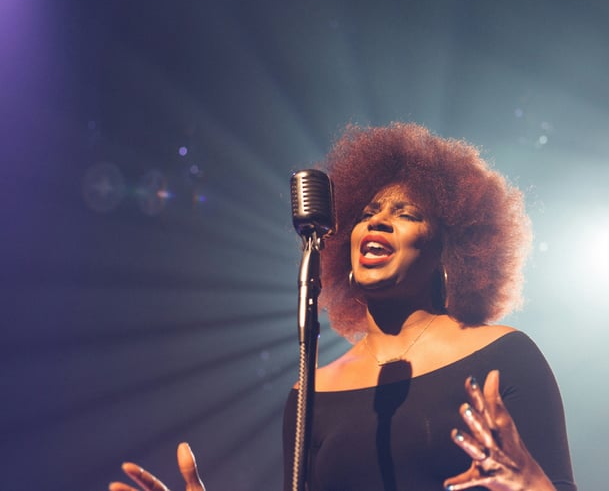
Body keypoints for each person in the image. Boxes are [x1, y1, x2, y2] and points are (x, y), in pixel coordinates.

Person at [110, 123, 577, 491]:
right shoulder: (311, 392)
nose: (379, 221)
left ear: (448, 254)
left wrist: (532, 486)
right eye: (368, 213)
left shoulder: (505, 355)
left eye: (406, 214)